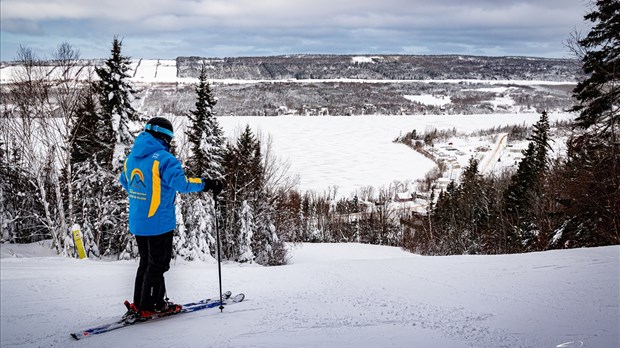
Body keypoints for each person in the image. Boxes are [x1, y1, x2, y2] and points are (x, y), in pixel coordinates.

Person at [119, 117, 222, 320]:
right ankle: (150, 306)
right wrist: (207, 184)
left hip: (139, 221)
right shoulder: (164, 159)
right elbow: (182, 184)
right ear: (164, 137)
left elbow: (125, 181)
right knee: (158, 265)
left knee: (146, 262)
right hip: (158, 222)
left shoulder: (131, 158)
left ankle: (144, 302)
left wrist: (145, 195)